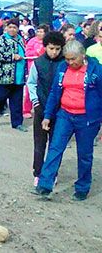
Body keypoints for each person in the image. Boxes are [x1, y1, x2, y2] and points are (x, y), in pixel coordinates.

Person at [33, 40, 102, 201]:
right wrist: (48, 115)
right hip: (65, 115)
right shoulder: (63, 68)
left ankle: (82, 187)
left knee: (84, 154)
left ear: (83, 56)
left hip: (87, 119)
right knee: (55, 148)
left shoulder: (96, 71)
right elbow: (54, 93)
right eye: (67, 59)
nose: (70, 62)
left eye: (73, 59)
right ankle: (44, 185)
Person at [27, 31, 65, 186]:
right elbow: (31, 83)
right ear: (45, 47)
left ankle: (51, 173)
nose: (54, 52)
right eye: (51, 48)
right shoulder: (38, 63)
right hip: (41, 109)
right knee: (39, 143)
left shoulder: (65, 64)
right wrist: (35, 102)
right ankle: (38, 172)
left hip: (61, 111)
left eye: (57, 49)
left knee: (55, 145)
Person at [0, 18, 28, 131]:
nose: (12, 29)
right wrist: (12, 56)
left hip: (18, 76)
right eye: (10, 27)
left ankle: (17, 123)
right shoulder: (1, 40)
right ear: (6, 28)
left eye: (15, 27)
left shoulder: (21, 40)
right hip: (4, 76)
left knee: (17, 101)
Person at [23, 24, 50, 118]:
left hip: (44, 68)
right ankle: (26, 109)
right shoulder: (32, 41)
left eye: (41, 31)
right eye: (38, 31)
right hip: (32, 67)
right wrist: (36, 53)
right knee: (29, 88)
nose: (39, 33)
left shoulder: (48, 42)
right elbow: (27, 52)